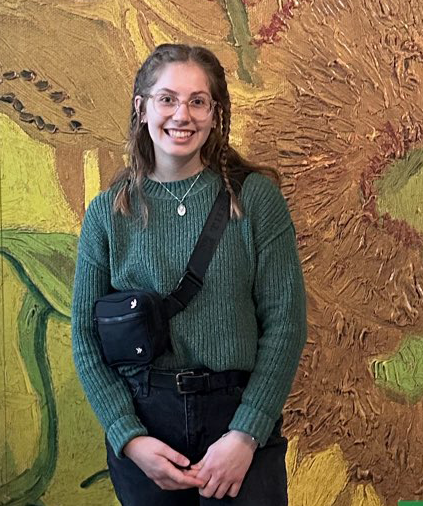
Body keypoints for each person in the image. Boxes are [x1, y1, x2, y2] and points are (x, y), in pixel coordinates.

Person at [71, 43, 307, 506]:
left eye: (198, 101)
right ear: (142, 109)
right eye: (167, 99)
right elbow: (84, 338)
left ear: (216, 114)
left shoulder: (254, 200)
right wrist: (129, 438)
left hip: (239, 419)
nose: (183, 114)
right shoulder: (108, 213)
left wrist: (247, 433)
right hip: (146, 427)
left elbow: (285, 325)